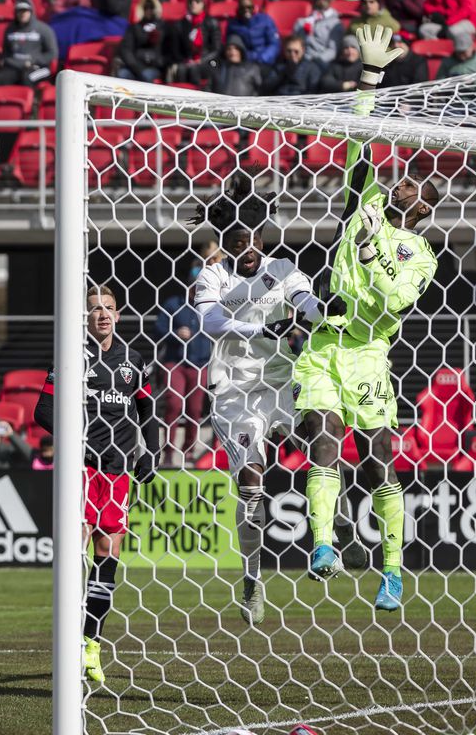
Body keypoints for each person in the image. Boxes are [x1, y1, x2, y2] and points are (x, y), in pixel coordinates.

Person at [297, 25, 439, 614]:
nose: (403, 182)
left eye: (417, 184)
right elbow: (359, 140)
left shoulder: (423, 255)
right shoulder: (365, 205)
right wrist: (371, 80)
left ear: (429, 206)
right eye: (403, 178)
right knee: (323, 441)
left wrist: (376, 251)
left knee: (379, 458)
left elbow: (392, 303)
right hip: (323, 346)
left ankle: (392, 571)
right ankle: (324, 545)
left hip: (368, 354)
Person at [191, 179, 345, 625]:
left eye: (255, 239)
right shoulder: (213, 275)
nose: (249, 249)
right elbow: (212, 322)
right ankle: (253, 578)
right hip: (234, 391)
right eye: (239, 242)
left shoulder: (283, 268)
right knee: (253, 485)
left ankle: (326, 541)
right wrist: (261, 331)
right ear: (226, 243)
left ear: (263, 237)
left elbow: (305, 300)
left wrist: (324, 309)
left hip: (283, 382)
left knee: (325, 438)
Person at [34, 283, 160, 684]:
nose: (102, 314)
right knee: (78, 553)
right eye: (94, 309)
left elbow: (146, 409)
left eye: (108, 308)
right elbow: (43, 410)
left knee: (108, 558)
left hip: (119, 471)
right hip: (83, 469)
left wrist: (151, 451)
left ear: (118, 315)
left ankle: (92, 645)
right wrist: (76, 441)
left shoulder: (134, 360)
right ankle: (69, 642)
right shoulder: (71, 357)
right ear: (84, 317)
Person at [155, 269, 211, 460]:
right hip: (175, 362)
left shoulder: (211, 306)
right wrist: (175, 333)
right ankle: (168, 451)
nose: (198, 290)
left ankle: (189, 452)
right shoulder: (173, 304)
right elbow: (158, 328)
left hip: (200, 364)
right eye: (195, 286)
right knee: (173, 403)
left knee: (195, 409)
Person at [0, 0, 56, 87]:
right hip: (14, 66)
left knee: (27, 78)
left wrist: (34, 61)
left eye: (25, 11)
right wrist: (8, 61)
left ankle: (31, 100)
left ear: (31, 11)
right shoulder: (10, 29)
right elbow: (6, 52)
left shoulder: (43, 29)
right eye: (20, 11)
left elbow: (52, 53)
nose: (23, 14)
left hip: (38, 67)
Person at [168, 0, 221, 85]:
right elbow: (175, 49)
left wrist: (200, 61)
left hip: (208, 61)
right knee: (181, 69)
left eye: (197, 1)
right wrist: (186, 60)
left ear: (203, 4)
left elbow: (216, 50)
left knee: (194, 70)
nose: (193, 4)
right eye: (190, 1)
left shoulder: (211, 22)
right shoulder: (180, 24)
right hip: (187, 61)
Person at [116, 0, 170, 82]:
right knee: (122, 74)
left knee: (146, 76)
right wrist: (135, 68)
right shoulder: (134, 28)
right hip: (135, 65)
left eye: (151, 7)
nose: (148, 10)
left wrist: (159, 62)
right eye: (146, 8)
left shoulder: (164, 27)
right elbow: (126, 50)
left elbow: (168, 50)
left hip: (154, 66)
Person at [293, 0, 343, 65]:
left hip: (321, 62)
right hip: (302, 59)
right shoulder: (302, 22)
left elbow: (332, 50)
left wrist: (317, 60)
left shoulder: (335, 24)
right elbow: (294, 43)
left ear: (330, 1)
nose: (321, 1)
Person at [227, 0, 279, 66]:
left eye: (249, 7)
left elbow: (274, 44)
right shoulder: (233, 25)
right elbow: (233, 46)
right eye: (243, 8)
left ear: (254, 8)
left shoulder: (265, 20)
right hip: (245, 62)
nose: (246, 10)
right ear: (238, 10)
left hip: (265, 61)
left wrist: (263, 58)